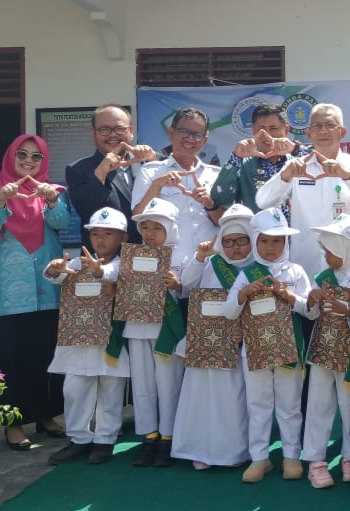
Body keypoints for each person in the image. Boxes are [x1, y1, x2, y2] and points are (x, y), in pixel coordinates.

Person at [0, 134, 71, 450]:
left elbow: (62, 222)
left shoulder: (52, 191)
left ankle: (46, 415)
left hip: (47, 286)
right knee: (10, 357)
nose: (29, 161)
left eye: (36, 156)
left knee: (45, 354)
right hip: (9, 292)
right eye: (22, 154)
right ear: (11, 157)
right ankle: (13, 423)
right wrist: (1, 202)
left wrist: (53, 200)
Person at [225, 207, 312, 483]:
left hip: (289, 349)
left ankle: (291, 455)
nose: (270, 247)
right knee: (258, 406)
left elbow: (312, 311)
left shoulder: (296, 271)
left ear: (286, 242)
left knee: (289, 405)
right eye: (263, 240)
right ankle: (259, 458)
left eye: (277, 241)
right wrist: (243, 294)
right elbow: (229, 312)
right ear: (255, 241)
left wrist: (290, 297)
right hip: (255, 350)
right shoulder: (246, 273)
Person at [42, 207, 130, 465]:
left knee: (111, 390)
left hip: (110, 340)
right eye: (95, 234)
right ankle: (79, 438)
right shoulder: (77, 263)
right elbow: (55, 275)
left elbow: (113, 274)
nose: (100, 239)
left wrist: (99, 272)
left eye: (108, 234)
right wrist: (54, 268)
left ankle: (105, 439)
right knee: (74, 389)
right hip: (78, 340)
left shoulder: (125, 264)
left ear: (123, 238)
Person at [256, 103, 350, 279]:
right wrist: (284, 176)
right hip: (305, 268)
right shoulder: (296, 167)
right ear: (308, 133)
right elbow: (263, 202)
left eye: (330, 125)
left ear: (342, 132)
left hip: (349, 271)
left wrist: (349, 176)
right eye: (317, 126)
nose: (323, 131)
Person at [172, 204, 255, 471]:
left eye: (241, 240)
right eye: (228, 242)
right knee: (200, 396)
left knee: (232, 399)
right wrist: (199, 257)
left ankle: (231, 452)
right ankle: (198, 448)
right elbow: (186, 284)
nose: (235, 248)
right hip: (204, 343)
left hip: (238, 345)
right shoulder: (211, 263)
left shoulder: (258, 269)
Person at [301, 214, 350, 489]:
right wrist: (311, 300)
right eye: (325, 249)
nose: (325, 255)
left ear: (346, 249)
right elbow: (311, 314)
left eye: (330, 250)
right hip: (322, 352)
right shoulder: (322, 278)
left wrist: (348, 311)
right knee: (318, 404)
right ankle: (315, 460)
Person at [125, 198, 189, 468]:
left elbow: (192, 290)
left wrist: (178, 286)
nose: (149, 233)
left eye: (157, 227)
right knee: (142, 385)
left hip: (167, 331)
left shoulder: (182, 257)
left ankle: (168, 437)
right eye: (145, 227)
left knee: (168, 384)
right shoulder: (132, 255)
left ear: (171, 229)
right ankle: (149, 436)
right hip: (137, 327)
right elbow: (113, 273)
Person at [133, 107, 221, 278]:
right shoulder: (151, 172)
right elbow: (138, 216)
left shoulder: (216, 175)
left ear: (204, 140)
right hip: (166, 270)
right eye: (184, 132)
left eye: (197, 135)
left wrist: (210, 204)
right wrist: (157, 185)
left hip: (209, 269)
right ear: (171, 133)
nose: (190, 139)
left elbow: (226, 223)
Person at [65, 104, 156, 251]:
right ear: (94, 132)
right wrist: (101, 171)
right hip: (105, 258)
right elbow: (87, 211)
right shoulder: (78, 169)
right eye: (104, 129)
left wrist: (154, 161)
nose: (112, 135)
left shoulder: (150, 162)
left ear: (131, 131)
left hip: (149, 255)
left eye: (119, 128)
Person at [209, 104, 309, 219]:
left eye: (273, 128)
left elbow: (322, 168)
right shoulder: (241, 164)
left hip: (296, 230)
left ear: (286, 130)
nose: (267, 135)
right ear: (253, 130)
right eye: (261, 130)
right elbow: (220, 198)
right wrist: (235, 158)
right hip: (255, 229)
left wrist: (295, 150)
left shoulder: (300, 161)